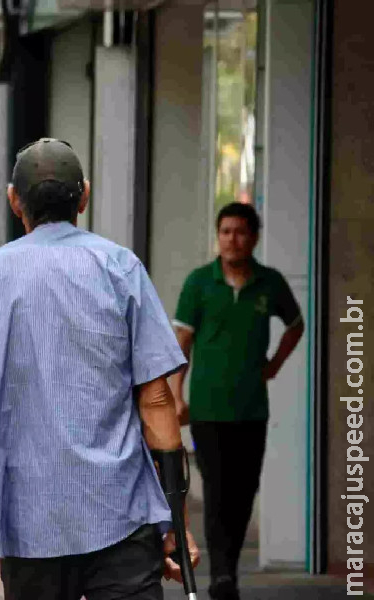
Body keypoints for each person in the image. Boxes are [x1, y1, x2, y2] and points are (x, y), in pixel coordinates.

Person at [0, 139, 199, 600]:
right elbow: (157, 400)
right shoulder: (120, 267)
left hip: (27, 523)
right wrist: (176, 523)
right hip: (121, 514)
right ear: (84, 196)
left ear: (13, 200)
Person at [171, 202, 303, 600]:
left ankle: (226, 570)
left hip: (252, 410)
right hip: (208, 412)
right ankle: (223, 575)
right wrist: (177, 396)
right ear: (218, 236)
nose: (232, 239)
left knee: (243, 492)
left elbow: (296, 326)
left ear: (254, 237)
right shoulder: (199, 283)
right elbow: (182, 345)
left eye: (241, 232)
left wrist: (275, 365)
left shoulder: (270, 283)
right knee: (215, 491)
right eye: (225, 231)